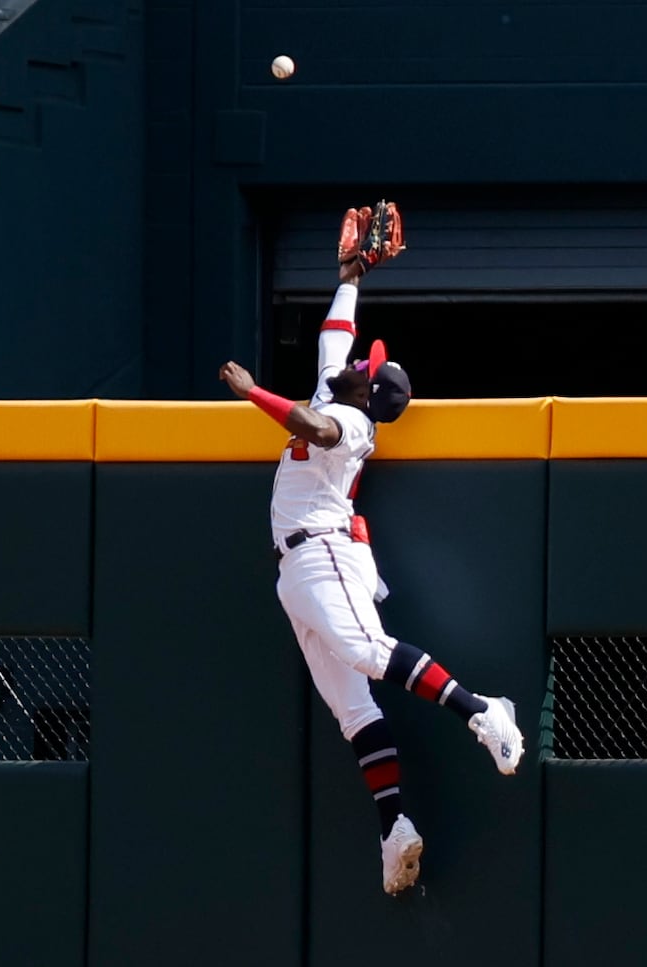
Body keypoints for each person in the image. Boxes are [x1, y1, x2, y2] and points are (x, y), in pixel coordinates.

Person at [218, 201, 525, 897]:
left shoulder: (354, 423)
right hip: (297, 565)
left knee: (364, 650)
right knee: (352, 707)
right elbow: (336, 332)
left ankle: (481, 710)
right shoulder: (341, 386)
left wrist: (251, 391)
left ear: (371, 392)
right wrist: (350, 273)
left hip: (324, 551)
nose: (361, 359)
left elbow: (313, 429)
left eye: (369, 365)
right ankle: (394, 830)